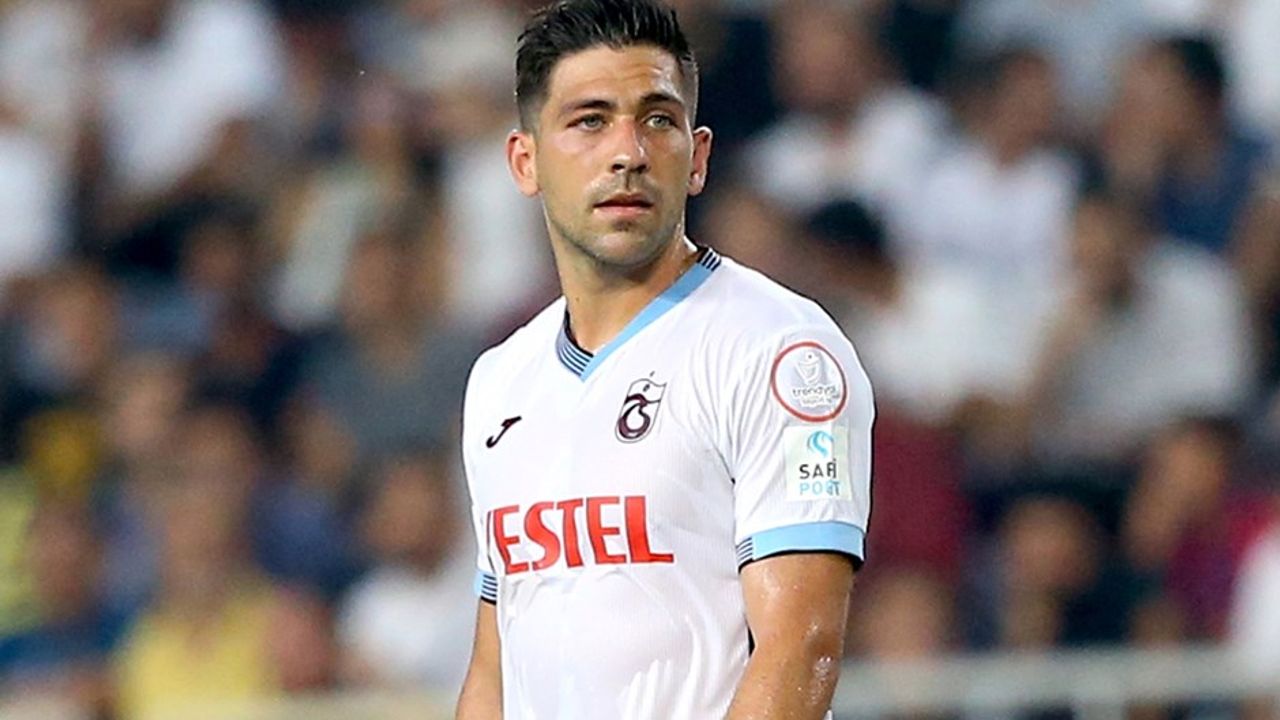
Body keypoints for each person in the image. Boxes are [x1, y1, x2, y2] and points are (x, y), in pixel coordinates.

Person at [455, 1, 875, 718]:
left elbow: (801, 647)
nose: (629, 152)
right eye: (590, 121)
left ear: (697, 157)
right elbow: (495, 666)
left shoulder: (778, 350)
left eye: (657, 119)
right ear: (526, 161)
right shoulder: (500, 380)